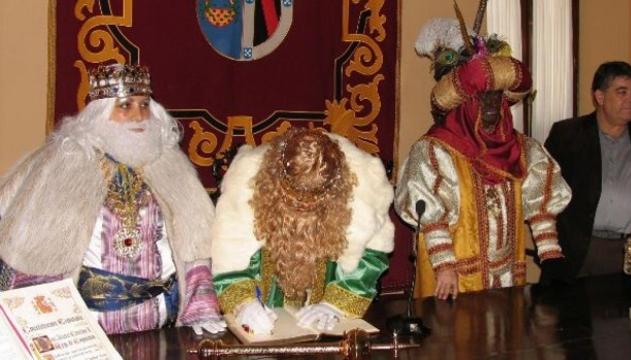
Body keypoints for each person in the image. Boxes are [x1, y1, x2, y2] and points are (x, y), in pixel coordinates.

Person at [0, 64, 226, 335]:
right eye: (125, 106)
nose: (138, 116)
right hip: (87, 332)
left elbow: (195, 247)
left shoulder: (172, 167)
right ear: (100, 114)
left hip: (161, 326)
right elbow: (34, 255)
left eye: (144, 105)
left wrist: (200, 308)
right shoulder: (63, 166)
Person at [395, 16, 572, 300]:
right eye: (483, 98)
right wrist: (444, 266)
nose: (491, 105)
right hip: (453, 275)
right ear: (465, 104)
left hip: (507, 274)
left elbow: (540, 204)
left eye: (497, 97)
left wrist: (550, 255)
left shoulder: (524, 149)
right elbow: (429, 214)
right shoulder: (435, 150)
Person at [210, 127, 394, 334]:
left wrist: (335, 304)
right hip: (267, 320)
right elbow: (229, 259)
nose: (302, 211)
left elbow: (370, 256)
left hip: (326, 323)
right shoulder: (246, 184)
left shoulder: (363, 190)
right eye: (293, 202)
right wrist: (245, 303)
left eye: (313, 205)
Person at [543, 61, 631, 281]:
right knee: (576, 314)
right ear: (600, 97)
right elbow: (544, 192)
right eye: (622, 92)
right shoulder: (568, 135)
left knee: (629, 314)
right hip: (582, 249)